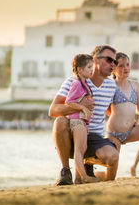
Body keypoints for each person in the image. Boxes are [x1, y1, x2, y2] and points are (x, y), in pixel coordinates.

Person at [49, 45, 119, 185]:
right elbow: (53, 110)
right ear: (95, 60)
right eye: (109, 59)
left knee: (112, 157)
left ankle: (87, 164)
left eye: (115, 62)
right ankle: (65, 171)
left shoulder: (112, 86)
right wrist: (81, 108)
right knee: (60, 121)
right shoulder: (73, 81)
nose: (113, 64)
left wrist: (131, 122)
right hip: (72, 132)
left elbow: (111, 111)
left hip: (94, 136)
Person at [65, 54, 100, 183]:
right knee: (79, 150)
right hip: (76, 120)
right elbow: (68, 101)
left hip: (83, 122)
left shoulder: (85, 83)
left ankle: (78, 178)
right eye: (89, 67)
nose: (92, 70)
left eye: (93, 67)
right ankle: (84, 176)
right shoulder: (76, 83)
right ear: (79, 69)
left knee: (83, 149)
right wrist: (83, 108)